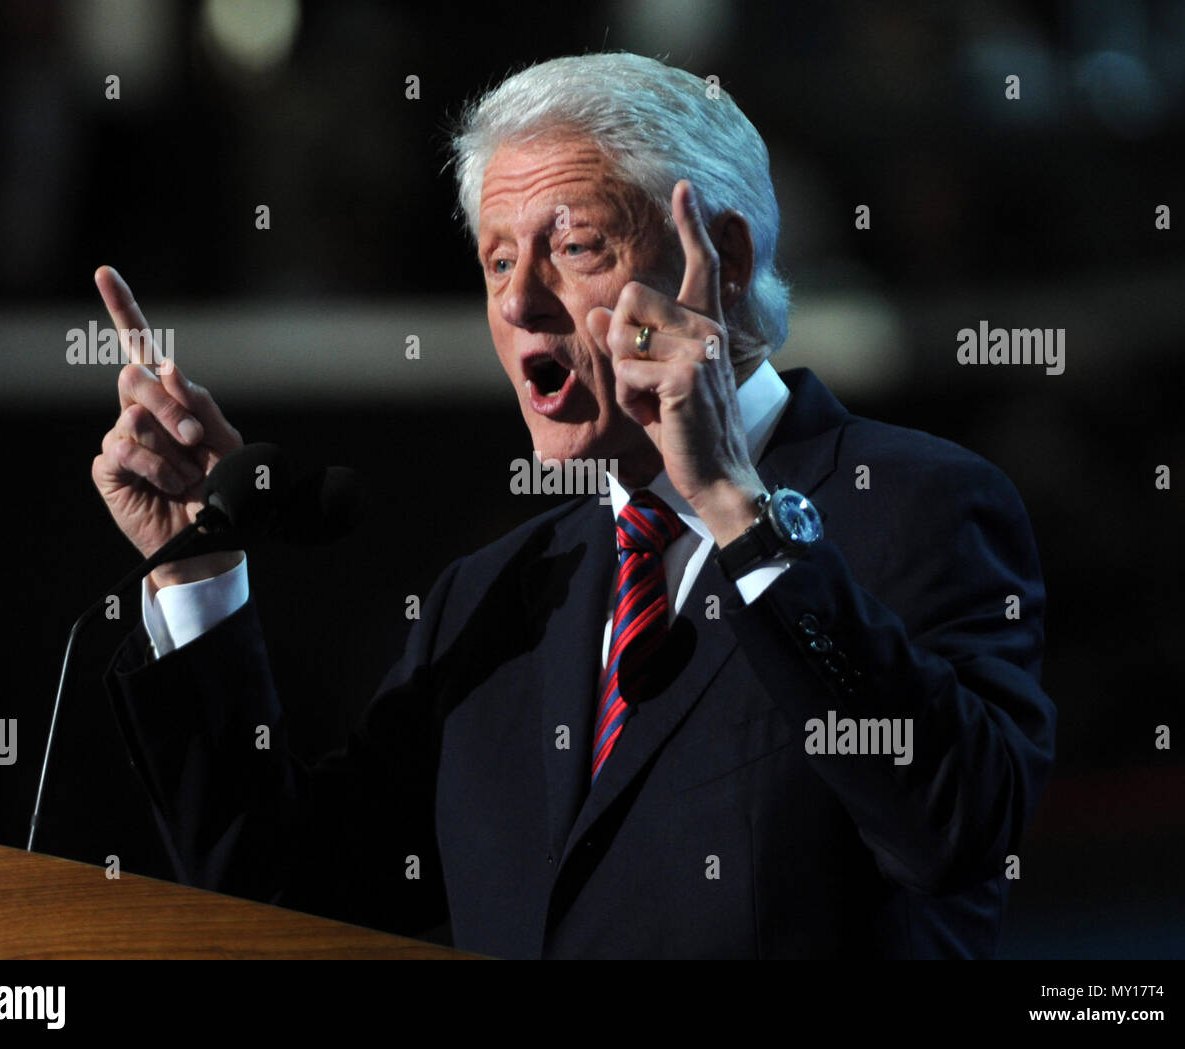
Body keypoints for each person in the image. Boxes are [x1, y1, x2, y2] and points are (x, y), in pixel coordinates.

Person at [91, 52, 1055, 959]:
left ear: (716, 257)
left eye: (574, 246)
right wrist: (195, 569)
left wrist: (735, 507)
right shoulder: (496, 594)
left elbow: (955, 832)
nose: (518, 304)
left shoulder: (921, 505)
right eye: (498, 261)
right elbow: (290, 894)